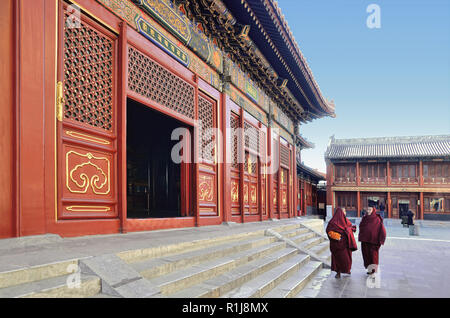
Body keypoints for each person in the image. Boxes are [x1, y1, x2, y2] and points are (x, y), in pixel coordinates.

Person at [326, 207, 357, 278]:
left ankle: (347, 269)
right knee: (337, 259)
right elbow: (328, 231)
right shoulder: (333, 222)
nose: (345, 213)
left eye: (345, 211)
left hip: (346, 244)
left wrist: (349, 230)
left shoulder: (346, 221)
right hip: (337, 244)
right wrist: (336, 236)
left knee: (347, 259)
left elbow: (350, 227)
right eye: (343, 211)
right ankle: (338, 272)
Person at [358, 206, 387, 275]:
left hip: (374, 242)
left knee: (373, 256)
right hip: (365, 241)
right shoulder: (364, 218)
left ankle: (373, 270)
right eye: (367, 209)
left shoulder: (377, 219)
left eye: (370, 209)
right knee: (366, 255)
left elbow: (382, 230)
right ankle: (369, 269)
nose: (368, 211)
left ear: (373, 210)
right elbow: (361, 227)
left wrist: (381, 240)